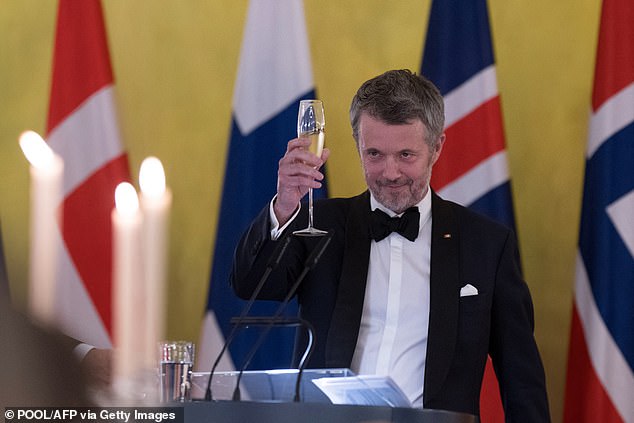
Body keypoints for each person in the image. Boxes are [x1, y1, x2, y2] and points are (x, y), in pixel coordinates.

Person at [231, 69, 550, 420]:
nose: (390, 173)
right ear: (357, 145)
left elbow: (522, 381)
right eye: (375, 154)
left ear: (437, 147)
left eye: (406, 155)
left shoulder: (486, 244)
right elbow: (249, 284)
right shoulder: (320, 224)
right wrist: (285, 206)